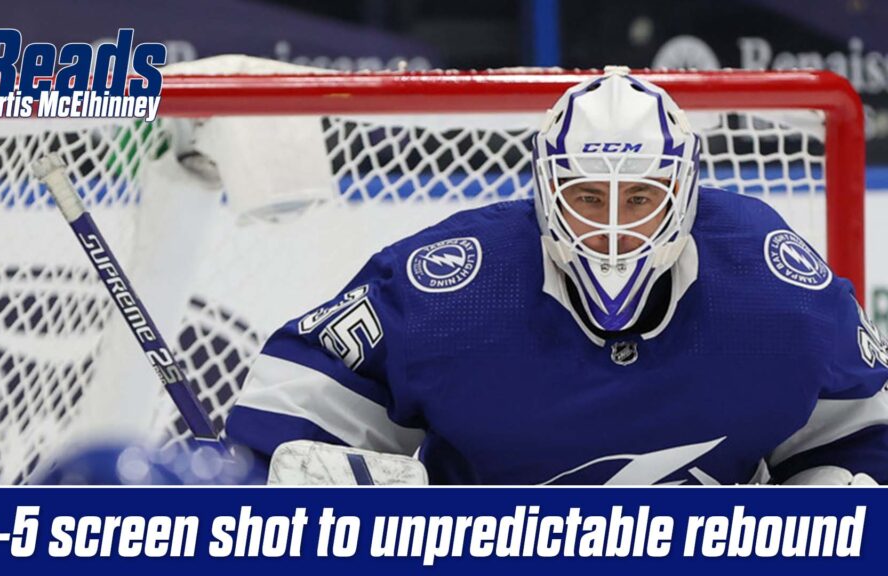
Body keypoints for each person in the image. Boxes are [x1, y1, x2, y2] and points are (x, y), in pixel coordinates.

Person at [223, 67, 888, 485]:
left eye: (640, 197)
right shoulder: (453, 286)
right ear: (545, 195)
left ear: (685, 197)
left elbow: (866, 440)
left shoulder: (773, 288)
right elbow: (285, 416)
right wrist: (300, 484)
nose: (614, 227)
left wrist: (836, 499)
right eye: (588, 197)